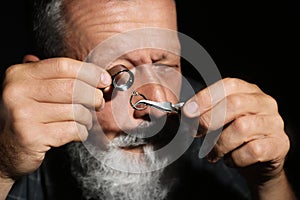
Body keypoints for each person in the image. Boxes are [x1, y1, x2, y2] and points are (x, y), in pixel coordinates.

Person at [0, 0, 297, 199]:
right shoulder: (17, 151)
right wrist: (3, 169)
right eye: (119, 75)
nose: (157, 104)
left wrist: (269, 183)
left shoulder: (210, 122)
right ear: (45, 84)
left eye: (164, 65)